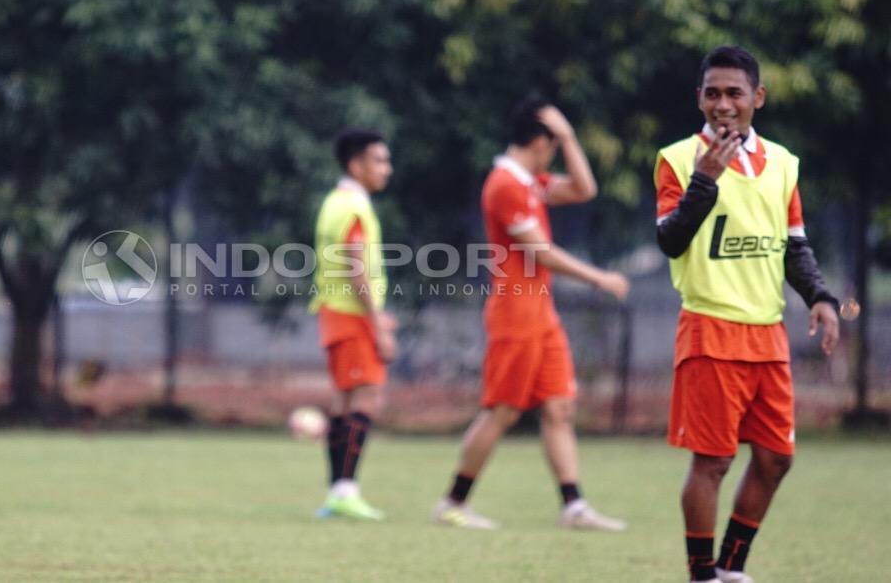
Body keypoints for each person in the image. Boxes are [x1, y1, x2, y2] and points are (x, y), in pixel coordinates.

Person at [655, 45, 838, 583]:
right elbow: (668, 240)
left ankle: (732, 567)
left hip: (767, 335)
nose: (723, 104)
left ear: (757, 97)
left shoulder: (782, 163)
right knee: (712, 462)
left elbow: (794, 246)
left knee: (776, 458)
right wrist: (704, 182)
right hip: (710, 329)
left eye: (735, 93)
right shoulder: (678, 158)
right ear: (699, 99)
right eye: (712, 93)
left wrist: (821, 298)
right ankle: (701, 574)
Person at [433, 96, 629, 531]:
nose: (557, 150)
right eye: (555, 142)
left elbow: (584, 189)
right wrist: (599, 278)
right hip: (515, 311)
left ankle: (573, 506)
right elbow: (539, 250)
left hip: (541, 311)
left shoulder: (530, 181)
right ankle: (452, 503)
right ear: (541, 141)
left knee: (559, 408)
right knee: (502, 410)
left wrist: (570, 136)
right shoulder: (504, 184)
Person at [308, 129, 397, 521]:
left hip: (335, 310)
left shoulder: (333, 202)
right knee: (366, 397)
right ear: (355, 165)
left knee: (344, 401)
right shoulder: (354, 209)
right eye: (379, 160)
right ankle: (345, 490)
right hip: (353, 313)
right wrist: (377, 324)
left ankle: (337, 492)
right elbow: (357, 271)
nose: (387, 169)